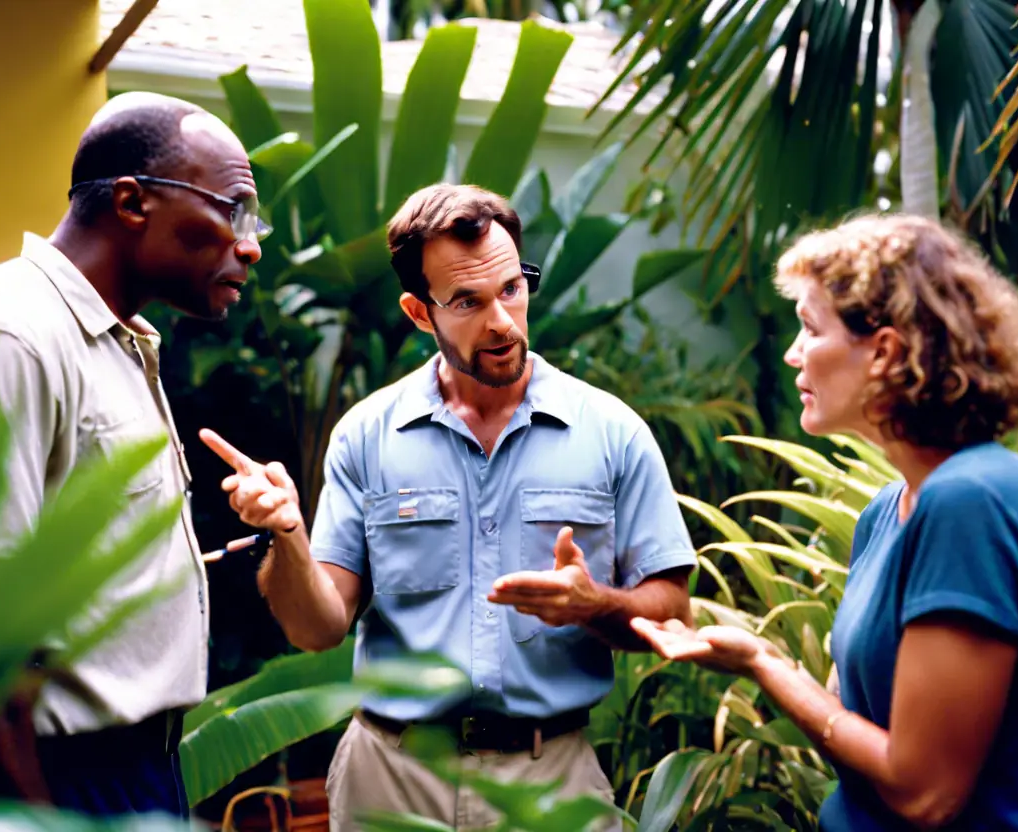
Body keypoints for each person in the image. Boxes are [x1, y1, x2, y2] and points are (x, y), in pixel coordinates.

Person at [200, 183, 699, 831]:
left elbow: (672, 611)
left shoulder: (611, 431)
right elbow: (317, 628)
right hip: (393, 776)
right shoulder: (368, 435)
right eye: (467, 301)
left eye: (512, 289)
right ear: (418, 311)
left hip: (552, 776)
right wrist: (288, 535)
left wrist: (594, 606)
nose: (501, 321)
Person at [632, 214, 1018, 831]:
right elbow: (852, 716)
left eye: (810, 329)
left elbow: (923, 792)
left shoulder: (972, 502)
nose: (793, 353)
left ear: (885, 352)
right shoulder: (886, 513)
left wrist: (765, 666)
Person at [0, 91, 268, 817]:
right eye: (232, 209)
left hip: (142, 771)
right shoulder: (6, 333)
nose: (251, 243)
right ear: (133, 202)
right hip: (61, 783)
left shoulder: (120, 342)